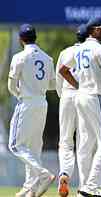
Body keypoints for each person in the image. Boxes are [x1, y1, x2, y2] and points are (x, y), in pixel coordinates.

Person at [59, 17, 101, 197]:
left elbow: (63, 70)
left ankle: (84, 187)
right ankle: (91, 186)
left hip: (81, 96)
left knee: (85, 144)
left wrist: (78, 85)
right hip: (95, 97)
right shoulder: (99, 48)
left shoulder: (80, 49)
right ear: (94, 30)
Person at [8, 23, 56, 197]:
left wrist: (22, 94)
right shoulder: (47, 58)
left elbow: (11, 86)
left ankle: (42, 174)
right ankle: (30, 188)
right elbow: (53, 84)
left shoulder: (19, 57)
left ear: (21, 39)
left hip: (26, 102)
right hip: (42, 103)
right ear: (35, 37)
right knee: (34, 148)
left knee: (15, 145)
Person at [56, 24, 88, 197]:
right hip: (85, 97)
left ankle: (65, 173)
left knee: (66, 141)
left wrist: (65, 97)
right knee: (85, 141)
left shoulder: (65, 52)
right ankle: (84, 186)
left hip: (68, 96)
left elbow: (58, 79)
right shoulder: (92, 51)